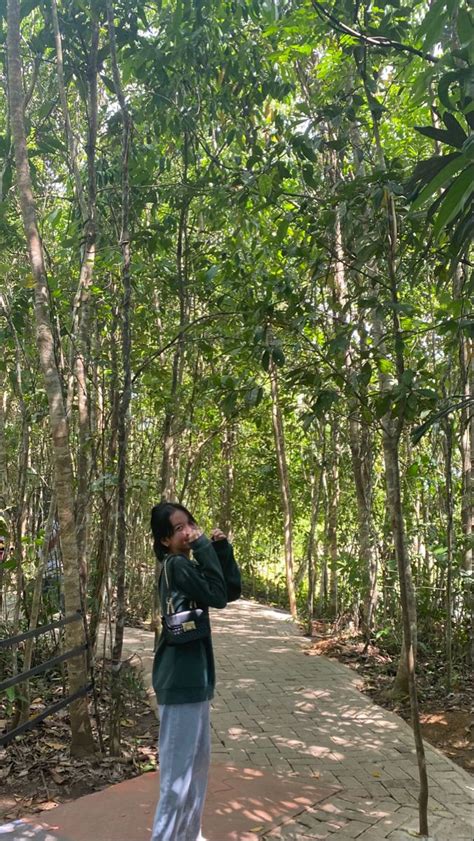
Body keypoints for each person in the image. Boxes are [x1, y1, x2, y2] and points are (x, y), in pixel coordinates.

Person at [150, 501, 241, 841]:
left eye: (189, 523)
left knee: (197, 772)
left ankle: (190, 836)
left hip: (197, 681)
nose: (187, 531)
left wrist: (221, 550)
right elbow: (216, 597)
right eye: (178, 529)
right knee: (176, 781)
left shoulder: (188, 567)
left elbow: (229, 590)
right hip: (179, 681)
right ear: (164, 541)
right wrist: (203, 546)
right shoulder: (176, 566)